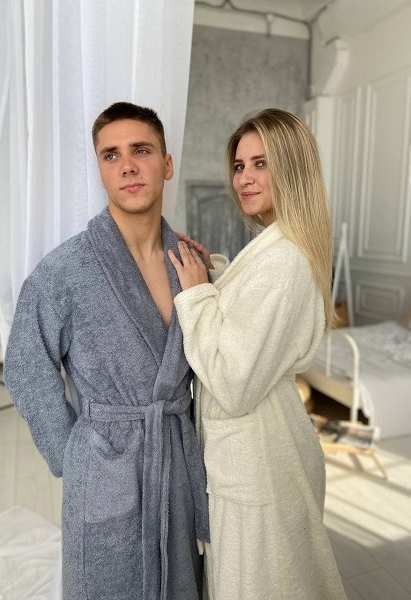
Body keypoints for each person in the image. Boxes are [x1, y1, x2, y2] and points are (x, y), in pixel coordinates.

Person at [4, 101, 209, 600]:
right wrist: (75, 454)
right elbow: (26, 366)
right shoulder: (66, 270)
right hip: (105, 469)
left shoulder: (190, 264)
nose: (128, 166)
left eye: (141, 150)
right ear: (100, 171)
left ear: (167, 163)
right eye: (111, 155)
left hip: (176, 465)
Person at [168, 108, 348, 600]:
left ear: (291, 168)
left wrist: (196, 294)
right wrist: (213, 272)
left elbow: (233, 382)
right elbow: (253, 316)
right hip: (263, 452)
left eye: (261, 163)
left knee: (256, 587)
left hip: (257, 461)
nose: (244, 178)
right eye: (239, 165)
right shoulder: (278, 246)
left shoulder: (284, 260)